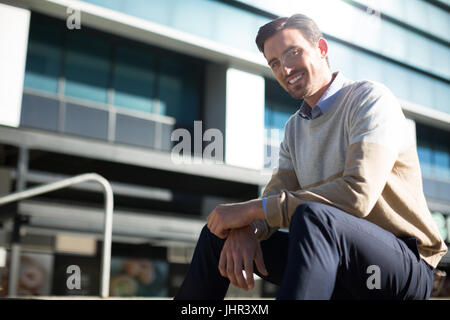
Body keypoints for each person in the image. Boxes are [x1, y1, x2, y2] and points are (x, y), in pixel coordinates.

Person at [174, 13, 447, 300]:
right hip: (334, 261)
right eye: (275, 62)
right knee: (217, 234)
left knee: (313, 216)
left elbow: (357, 195)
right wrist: (246, 228)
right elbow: (276, 194)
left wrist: (251, 210)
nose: (286, 68)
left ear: (322, 48)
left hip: (400, 267)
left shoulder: (369, 99)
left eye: (293, 52)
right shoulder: (294, 127)